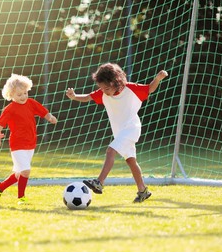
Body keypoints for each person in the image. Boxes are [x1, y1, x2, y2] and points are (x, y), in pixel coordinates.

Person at [66, 63, 168, 203]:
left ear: (116, 82)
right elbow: (88, 97)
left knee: (110, 151)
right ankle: (143, 190)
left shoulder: (130, 89)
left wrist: (158, 78)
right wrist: (74, 96)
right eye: (101, 88)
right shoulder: (103, 93)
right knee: (131, 161)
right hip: (120, 133)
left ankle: (99, 182)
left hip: (131, 128)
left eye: (107, 88)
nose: (104, 91)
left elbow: (149, 88)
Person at [0, 74, 57, 205]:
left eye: (25, 93)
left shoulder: (31, 103)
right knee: (26, 171)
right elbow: (0, 124)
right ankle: (21, 197)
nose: (23, 97)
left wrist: (50, 117)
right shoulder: (9, 109)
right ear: (11, 95)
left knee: (18, 174)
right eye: (19, 95)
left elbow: (42, 111)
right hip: (17, 144)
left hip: (31, 143)